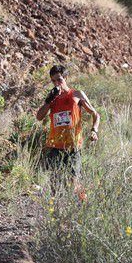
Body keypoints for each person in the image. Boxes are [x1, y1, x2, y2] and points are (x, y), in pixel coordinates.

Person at [36, 65, 100, 201]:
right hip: (55, 146)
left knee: (73, 182)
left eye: (59, 79)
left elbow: (95, 114)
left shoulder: (77, 94)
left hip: (73, 146)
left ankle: (85, 205)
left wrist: (94, 130)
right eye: (53, 81)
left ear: (65, 78)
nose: (56, 83)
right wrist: (48, 101)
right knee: (54, 183)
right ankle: (55, 213)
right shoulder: (52, 97)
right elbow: (39, 116)